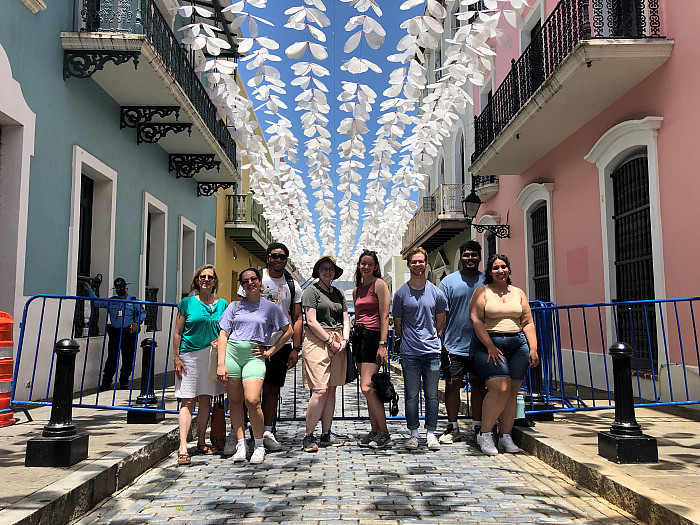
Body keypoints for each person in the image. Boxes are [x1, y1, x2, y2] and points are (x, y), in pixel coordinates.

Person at [217, 268, 292, 465]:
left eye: (253, 279)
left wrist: (270, 351)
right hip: (232, 353)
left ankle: (259, 444)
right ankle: (241, 443)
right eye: (245, 281)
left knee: (252, 400)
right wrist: (221, 363)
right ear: (241, 286)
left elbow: (288, 330)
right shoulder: (234, 306)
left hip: (253, 355)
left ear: (260, 282)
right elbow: (223, 334)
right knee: (234, 401)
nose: (250, 283)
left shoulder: (270, 308)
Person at [469, 254, 539, 456]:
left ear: (509, 269)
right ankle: (485, 433)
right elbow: (476, 319)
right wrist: (489, 345)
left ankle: (505, 435)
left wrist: (533, 348)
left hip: (517, 344)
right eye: (496, 268)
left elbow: (527, 321)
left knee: (512, 391)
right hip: (490, 343)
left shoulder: (518, 293)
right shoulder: (482, 292)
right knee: (500, 387)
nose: (500, 271)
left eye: (504, 267)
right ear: (489, 272)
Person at [236, 242, 302, 451]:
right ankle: (243, 432)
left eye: (282, 257)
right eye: (274, 256)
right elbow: (239, 306)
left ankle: (266, 431)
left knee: (272, 389)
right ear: (268, 258)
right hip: (252, 342)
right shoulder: (254, 278)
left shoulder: (293, 285)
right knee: (249, 391)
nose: (278, 260)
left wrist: (295, 348)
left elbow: (297, 318)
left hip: (279, 343)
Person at [392, 247, 448, 452]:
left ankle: (431, 433)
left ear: (426, 264)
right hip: (410, 353)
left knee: (432, 395)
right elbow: (398, 323)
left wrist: (433, 338)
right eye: (413, 262)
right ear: (408, 265)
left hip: (432, 352)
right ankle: (413, 433)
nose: (417, 264)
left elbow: (441, 321)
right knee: (412, 395)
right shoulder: (400, 294)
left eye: (421, 261)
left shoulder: (437, 293)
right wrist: (408, 339)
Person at [172, 265, 227, 466]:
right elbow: (177, 332)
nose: (206, 280)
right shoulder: (186, 303)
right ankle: (183, 446)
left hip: (211, 357)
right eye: (202, 277)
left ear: (214, 281)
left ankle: (202, 441)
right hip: (189, 355)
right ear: (197, 280)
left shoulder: (222, 304)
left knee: (205, 399)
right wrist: (176, 358)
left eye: (210, 277)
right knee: (187, 400)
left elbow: (225, 331)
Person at [438, 241, 486, 444]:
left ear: (479, 257)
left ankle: (478, 426)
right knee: (452, 384)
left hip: (480, 344)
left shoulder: (487, 280)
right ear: (461, 257)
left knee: (478, 384)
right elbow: (440, 313)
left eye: (474, 255)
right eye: (466, 255)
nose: (470, 258)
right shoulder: (448, 282)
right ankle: (453, 426)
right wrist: (440, 341)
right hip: (453, 344)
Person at [301, 255, 350, 452]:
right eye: (323, 268)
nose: (327, 271)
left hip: (338, 339)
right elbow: (311, 320)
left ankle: (326, 433)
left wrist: (345, 340)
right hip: (317, 340)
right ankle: (308, 435)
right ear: (318, 271)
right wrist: (329, 341)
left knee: (331, 389)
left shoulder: (338, 293)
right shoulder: (311, 291)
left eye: (330, 268)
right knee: (319, 389)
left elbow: (346, 318)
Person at [352, 249, 391, 449]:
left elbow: (385, 315)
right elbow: (358, 315)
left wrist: (383, 344)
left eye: (369, 264)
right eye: (362, 263)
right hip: (359, 337)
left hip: (374, 337)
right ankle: (374, 430)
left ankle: (384, 432)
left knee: (367, 387)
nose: (365, 267)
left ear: (376, 266)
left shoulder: (380, 285)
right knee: (369, 389)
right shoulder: (357, 289)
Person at [85, 277, 145, 392]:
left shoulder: (134, 300)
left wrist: (137, 322)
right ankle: (106, 382)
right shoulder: (112, 300)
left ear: (126, 288)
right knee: (112, 358)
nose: (120, 290)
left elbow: (142, 313)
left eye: (122, 288)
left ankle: (124, 381)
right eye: (118, 288)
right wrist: (89, 291)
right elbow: (97, 303)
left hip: (129, 333)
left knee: (128, 359)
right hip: (115, 333)